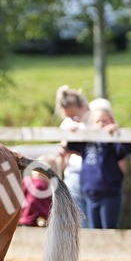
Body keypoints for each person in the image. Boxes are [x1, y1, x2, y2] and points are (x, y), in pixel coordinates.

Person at [67, 98, 131, 229]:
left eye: (105, 121)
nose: (101, 125)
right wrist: (74, 131)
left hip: (109, 193)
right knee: (94, 229)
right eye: (98, 122)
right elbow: (70, 146)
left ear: (112, 122)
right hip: (90, 192)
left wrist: (118, 133)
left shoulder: (112, 143)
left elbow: (127, 149)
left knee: (108, 229)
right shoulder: (87, 141)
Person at [55, 86, 88, 215]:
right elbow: (63, 149)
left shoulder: (88, 122)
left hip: (88, 172)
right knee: (78, 212)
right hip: (74, 171)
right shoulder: (67, 124)